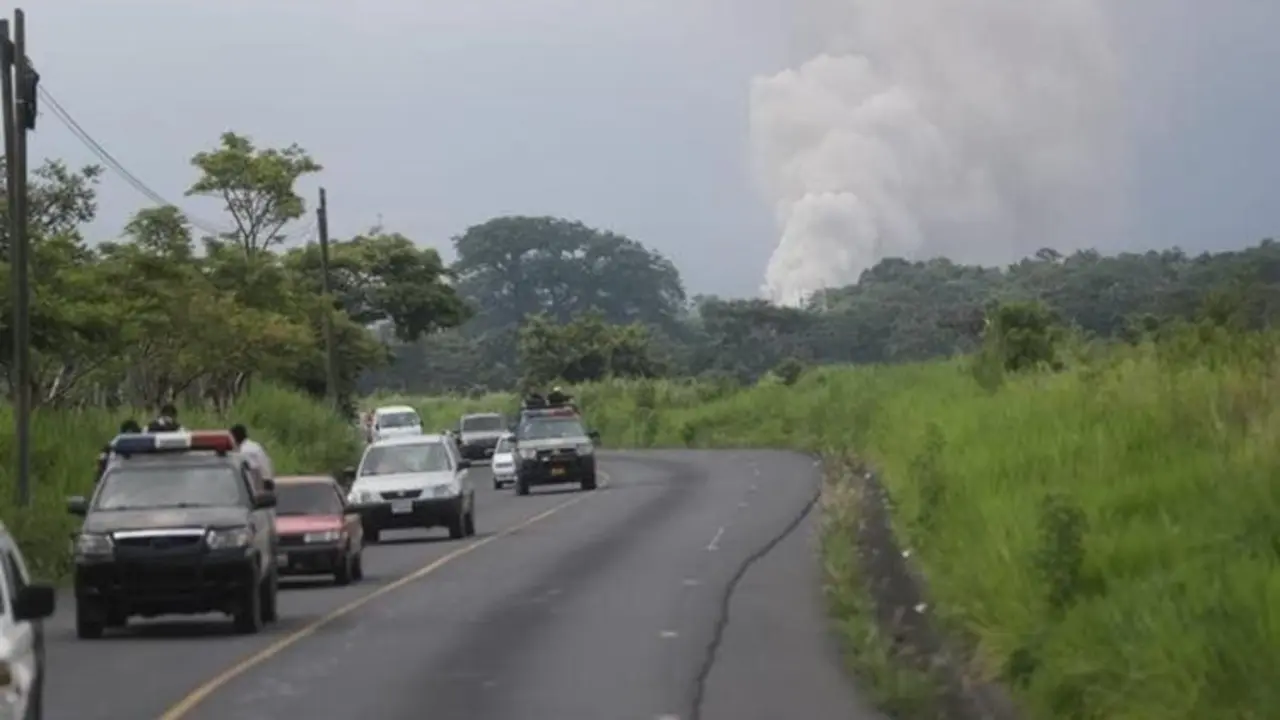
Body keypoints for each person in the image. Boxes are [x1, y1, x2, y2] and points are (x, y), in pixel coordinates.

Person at [230, 424, 276, 488]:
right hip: (267, 480)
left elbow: (252, 471)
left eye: (231, 438)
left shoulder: (245, 451)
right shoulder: (254, 445)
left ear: (235, 437)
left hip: (260, 484)